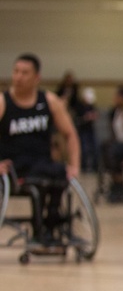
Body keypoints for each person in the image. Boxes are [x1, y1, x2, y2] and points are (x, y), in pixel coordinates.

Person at [0, 54, 81, 243]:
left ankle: (52, 222)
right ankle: (41, 230)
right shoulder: (3, 102)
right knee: (43, 177)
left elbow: (70, 134)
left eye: (25, 73)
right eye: (16, 72)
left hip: (43, 162)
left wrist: (75, 165)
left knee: (59, 172)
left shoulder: (50, 101)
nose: (18, 77)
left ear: (37, 77)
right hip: (14, 167)